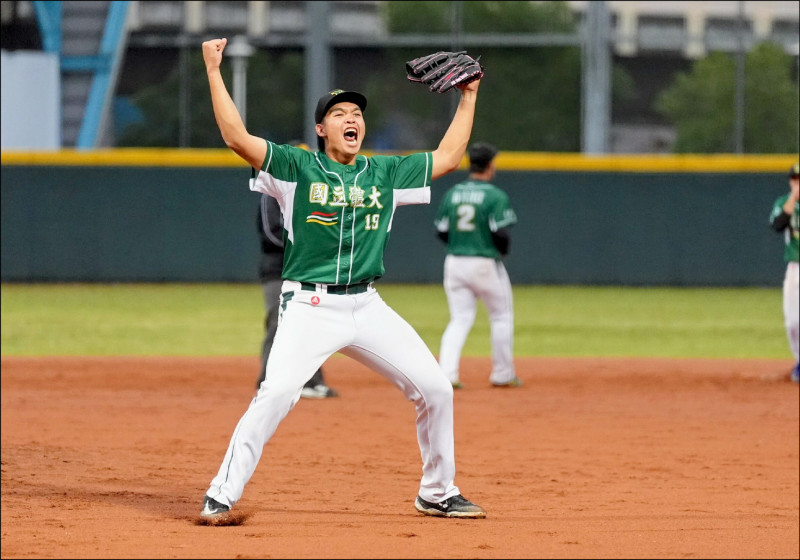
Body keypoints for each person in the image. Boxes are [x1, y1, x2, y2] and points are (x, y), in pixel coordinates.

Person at [199, 37, 486, 521]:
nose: (352, 118)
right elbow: (236, 137)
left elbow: (449, 157)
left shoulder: (386, 173)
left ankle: (437, 492)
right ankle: (222, 493)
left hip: (367, 306)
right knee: (276, 393)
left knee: (435, 388)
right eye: (339, 113)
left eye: (356, 112)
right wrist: (212, 69)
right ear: (320, 128)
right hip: (309, 306)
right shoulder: (295, 167)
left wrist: (469, 96)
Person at [434, 142, 520, 389]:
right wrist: (502, 252)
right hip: (484, 262)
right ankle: (503, 374)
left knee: (459, 319)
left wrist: (460, 245)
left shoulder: (452, 193)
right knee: (501, 316)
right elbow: (501, 233)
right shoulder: (494, 195)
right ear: (490, 165)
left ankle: (447, 374)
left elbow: (441, 231)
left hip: (454, 262)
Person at [256, 160, 338, 399]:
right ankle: (268, 381)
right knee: (277, 323)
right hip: (278, 270)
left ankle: (311, 381)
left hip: (307, 270)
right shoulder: (271, 194)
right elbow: (271, 233)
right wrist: (305, 247)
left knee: (311, 323)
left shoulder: (312, 194)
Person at [769, 162, 799, 383]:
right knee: (793, 323)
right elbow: (778, 225)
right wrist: (794, 197)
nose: (798, 182)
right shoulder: (783, 203)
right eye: (795, 179)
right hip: (795, 268)